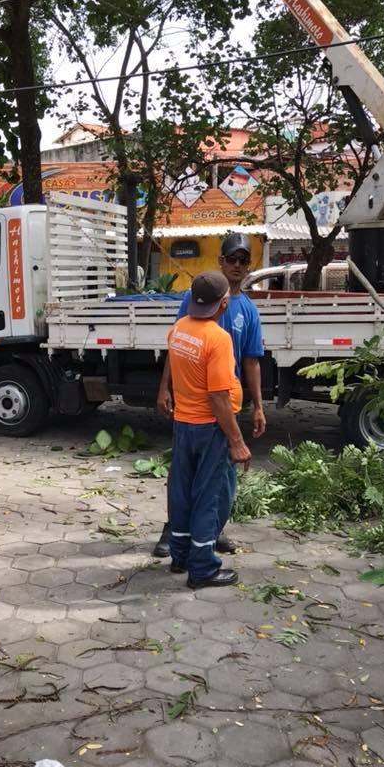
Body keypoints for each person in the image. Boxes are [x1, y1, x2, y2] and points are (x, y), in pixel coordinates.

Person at [154, 233, 266, 559]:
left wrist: (258, 406)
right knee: (194, 479)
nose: (237, 265)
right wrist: (164, 388)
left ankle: (207, 534)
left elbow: (252, 360)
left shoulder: (248, 311)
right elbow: (176, 347)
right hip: (200, 409)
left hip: (223, 408)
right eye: (232, 258)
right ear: (221, 261)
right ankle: (182, 539)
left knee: (217, 480)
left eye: (243, 260)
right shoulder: (197, 299)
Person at [167, 270, 251, 588]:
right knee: (209, 497)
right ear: (224, 303)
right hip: (209, 428)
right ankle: (202, 568)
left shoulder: (178, 330)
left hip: (183, 424)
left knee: (182, 491)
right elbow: (218, 396)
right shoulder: (217, 338)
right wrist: (237, 441)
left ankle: (181, 555)